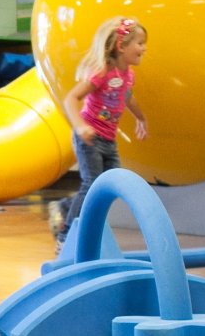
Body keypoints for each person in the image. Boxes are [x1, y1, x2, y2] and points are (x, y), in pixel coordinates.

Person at [51, 17, 149, 247]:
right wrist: (80, 126)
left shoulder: (128, 75)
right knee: (92, 183)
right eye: (140, 43)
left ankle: (66, 206)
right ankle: (65, 236)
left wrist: (141, 118)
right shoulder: (102, 72)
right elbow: (71, 98)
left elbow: (127, 97)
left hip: (108, 139)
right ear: (121, 46)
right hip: (89, 138)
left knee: (112, 184)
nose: (144, 48)